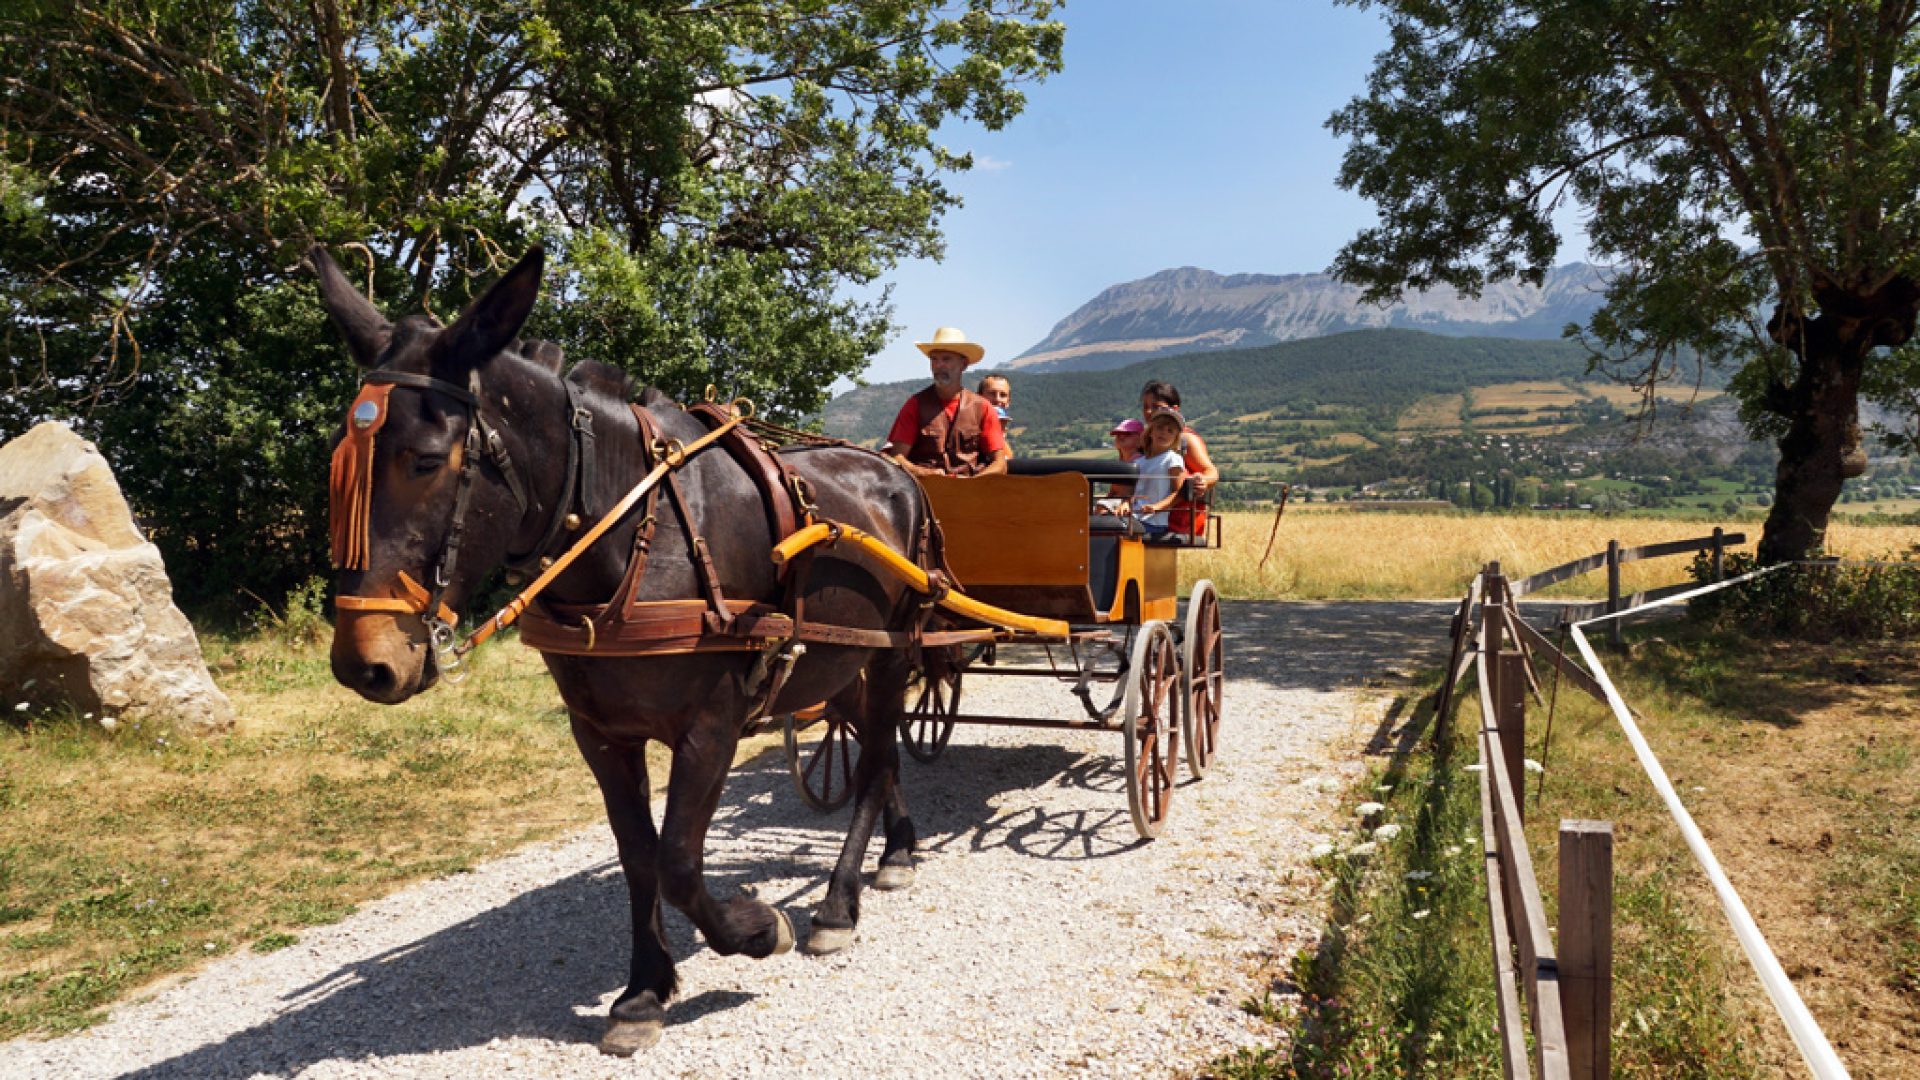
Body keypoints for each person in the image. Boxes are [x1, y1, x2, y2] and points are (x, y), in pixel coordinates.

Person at [883, 327, 1008, 477]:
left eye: (946, 359)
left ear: (964, 364)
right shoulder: (914, 404)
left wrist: (975, 483)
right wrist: (926, 473)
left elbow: (1000, 463)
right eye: (934, 359)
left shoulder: (982, 408)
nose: (938, 365)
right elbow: (896, 457)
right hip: (925, 494)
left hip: (971, 494)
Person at [1140, 379, 1219, 536]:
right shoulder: (1147, 438)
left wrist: (1203, 481)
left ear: (1175, 409)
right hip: (1149, 515)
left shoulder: (1186, 439)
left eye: (1156, 407)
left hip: (1178, 520)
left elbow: (1210, 471)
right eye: (1145, 407)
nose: (1149, 412)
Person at [1130, 409, 1188, 538]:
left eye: (1170, 431)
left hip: (1153, 522)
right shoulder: (1139, 462)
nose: (1164, 433)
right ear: (1151, 432)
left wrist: (1157, 507)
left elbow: (1179, 493)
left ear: (1175, 438)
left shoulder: (1172, 459)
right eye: (1160, 428)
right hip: (1133, 517)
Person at [1094, 417, 1143, 515]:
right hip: (1118, 501)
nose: (1121, 436)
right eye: (1118, 434)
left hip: (1131, 503)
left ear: (1140, 439)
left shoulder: (1141, 462)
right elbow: (1113, 491)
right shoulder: (1120, 463)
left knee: (1101, 507)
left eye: (1127, 434)